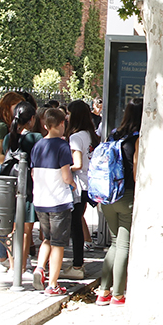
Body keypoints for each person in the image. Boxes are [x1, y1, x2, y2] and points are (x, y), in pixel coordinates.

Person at [95, 98, 142, 307]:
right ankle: (118, 294)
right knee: (123, 244)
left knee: (115, 243)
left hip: (107, 196)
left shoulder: (114, 134)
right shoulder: (139, 138)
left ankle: (103, 291)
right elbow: (136, 171)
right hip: (127, 196)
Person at [29, 108, 75, 296]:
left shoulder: (38, 145)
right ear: (62, 123)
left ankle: (40, 267)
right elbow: (66, 176)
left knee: (46, 238)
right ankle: (52, 284)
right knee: (58, 243)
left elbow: (33, 173)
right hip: (58, 201)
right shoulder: (62, 146)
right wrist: (72, 184)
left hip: (40, 199)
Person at [0, 101, 41, 273]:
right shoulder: (36, 139)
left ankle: (13, 265)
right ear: (32, 119)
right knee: (26, 229)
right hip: (28, 187)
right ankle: (22, 266)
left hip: (11, 187)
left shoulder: (8, 138)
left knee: (13, 229)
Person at [0, 92, 25, 263]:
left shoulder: (4, 125)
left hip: (0, 173)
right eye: (16, 106)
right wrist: (15, 160)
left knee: (0, 218)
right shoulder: (2, 127)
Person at [64, 99, 99, 279]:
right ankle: (78, 263)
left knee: (75, 226)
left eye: (69, 114)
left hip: (79, 185)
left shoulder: (75, 137)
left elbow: (77, 164)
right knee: (77, 222)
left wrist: (62, 168)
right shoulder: (91, 135)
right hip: (90, 183)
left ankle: (77, 264)